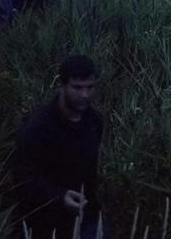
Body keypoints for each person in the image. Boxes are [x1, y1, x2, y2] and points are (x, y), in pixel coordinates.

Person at [12, 55, 106, 239]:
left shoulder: (94, 121)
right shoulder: (39, 126)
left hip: (86, 215)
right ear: (62, 86)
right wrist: (60, 196)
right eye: (77, 87)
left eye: (90, 87)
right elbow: (23, 177)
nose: (85, 95)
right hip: (45, 221)